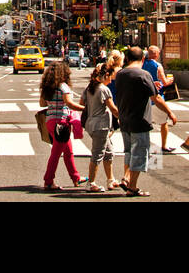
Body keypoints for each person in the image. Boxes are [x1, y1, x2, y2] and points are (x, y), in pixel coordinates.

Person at [113, 47, 176, 197]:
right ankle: (132, 187)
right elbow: (156, 98)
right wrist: (170, 112)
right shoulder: (143, 74)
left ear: (127, 59)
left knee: (129, 151)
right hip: (139, 120)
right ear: (143, 59)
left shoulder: (120, 74)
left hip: (124, 119)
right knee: (140, 153)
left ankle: (126, 178)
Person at [39, 63, 87, 190]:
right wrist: (86, 109)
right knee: (56, 153)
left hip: (49, 121)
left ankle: (76, 177)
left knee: (68, 151)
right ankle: (48, 181)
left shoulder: (47, 87)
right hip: (61, 122)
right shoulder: (63, 86)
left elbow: (42, 103)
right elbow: (70, 103)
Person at [81, 63, 120, 192]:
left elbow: (82, 103)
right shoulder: (103, 89)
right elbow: (113, 108)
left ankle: (111, 180)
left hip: (91, 124)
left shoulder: (90, 87)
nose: (111, 80)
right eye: (111, 76)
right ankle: (91, 183)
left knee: (108, 153)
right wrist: (124, 117)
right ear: (106, 75)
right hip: (100, 126)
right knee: (97, 154)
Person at [143, 45, 175, 153]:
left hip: (144, 98)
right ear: (156, 54)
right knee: (163, 123)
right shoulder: (157, 65)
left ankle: (144, 146)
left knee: (145, 124)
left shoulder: (142, 64)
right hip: (157, 98)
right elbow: (164, 82)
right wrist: (170, 81)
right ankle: (164, 145)